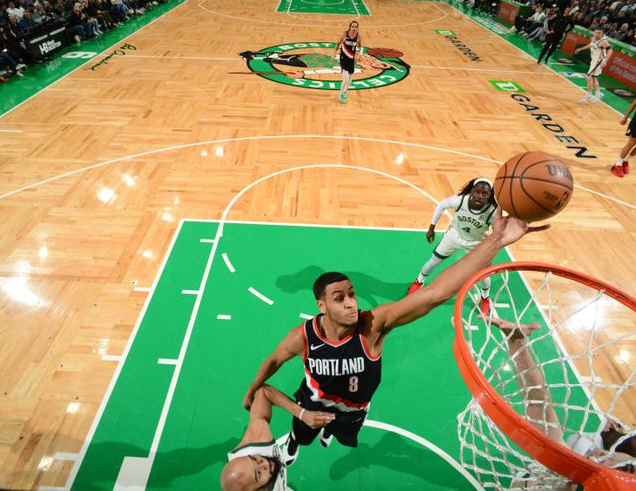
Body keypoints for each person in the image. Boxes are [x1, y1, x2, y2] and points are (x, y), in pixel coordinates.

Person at [242, 209, 546, 467]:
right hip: (312, 403)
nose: (350, 302)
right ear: (321, 306)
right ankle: (295, 442)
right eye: (339, 298)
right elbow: (272, 362)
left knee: (335, 431)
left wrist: (497, 239)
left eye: (351, 294)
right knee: (302, 430)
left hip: (353, 410)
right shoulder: (302, 337)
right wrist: (253, 391)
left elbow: (435, 294)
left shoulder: (372, 325)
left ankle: (327, 432)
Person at [481, 315, 636, 488]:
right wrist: (517, 342)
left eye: (630, 470)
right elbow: (537, 404)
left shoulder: (575, 472)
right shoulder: (570, 465)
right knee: (580, 442)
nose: (615, 461)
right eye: (635, 466)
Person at [407, 178, 497, 316]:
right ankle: (419, 282)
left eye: (485, 194)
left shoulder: (492, 212)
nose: (480, 196)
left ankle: (485, 298)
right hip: (454, 236)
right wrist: (432, 228)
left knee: (483, 275)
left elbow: (497, 234)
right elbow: (441, 205)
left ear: (490, 195)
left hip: (476, 243)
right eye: (477, 192)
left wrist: (489, 253)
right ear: (472, 190)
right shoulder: (460, 201)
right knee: (433, 261)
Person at [222, 384, 333, 491]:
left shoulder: (256, 442)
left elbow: (264, 392)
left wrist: (302, 414)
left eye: (254, 458)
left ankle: (295, 438)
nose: (264, 463)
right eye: (259, 474)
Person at [575, 28, 611, 103]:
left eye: (599, 33)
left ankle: (589, 94)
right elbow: (590, 45)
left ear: (601, 34)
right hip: (594, 61)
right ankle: (598, 94)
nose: (597, 34)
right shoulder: (593, 38)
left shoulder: (603, 41)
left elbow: (610, 51)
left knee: (588, 77)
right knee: (594, 78)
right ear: (594, 33)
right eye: (596, 33)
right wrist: (581, 49)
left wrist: (605, 61)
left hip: (599, 61)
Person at [334, 20, 361, 104]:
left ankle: (345, 91)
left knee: (350, 80)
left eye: (355, 27)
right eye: (352, 26)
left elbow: (360, 46)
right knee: (345, 79)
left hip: (351, 59)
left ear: (357, 28)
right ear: (350, 27)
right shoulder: (344, 34)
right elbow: (337, 43)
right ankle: (341, 94)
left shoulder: (358, 36)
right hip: (343, 58)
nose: (354, 28)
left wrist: (360, 53)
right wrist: (334, 52)